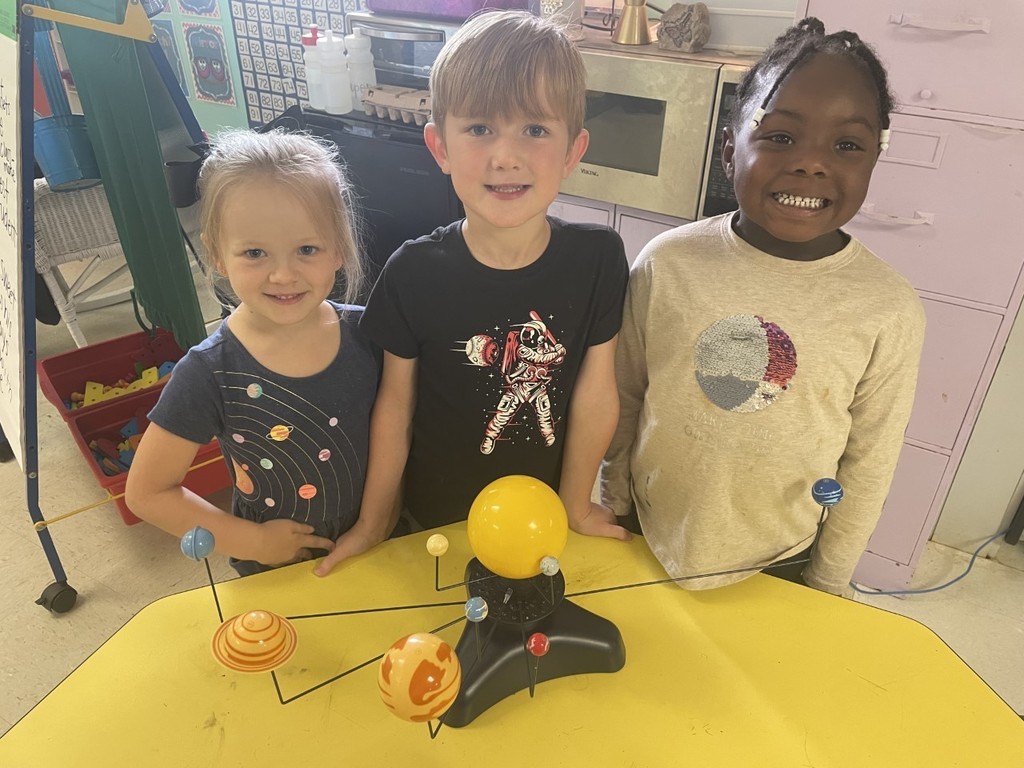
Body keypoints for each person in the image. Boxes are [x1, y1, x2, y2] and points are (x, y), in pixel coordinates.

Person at [601, 18, 926, 597]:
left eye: (847, 145)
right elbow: (625, 396)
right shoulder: (667, 263)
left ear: (873, 162)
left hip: (781, 561)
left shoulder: (888, 309)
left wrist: (828, 581)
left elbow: (869, 462)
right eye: (780, 136)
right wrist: (614, 504)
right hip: (647, 532)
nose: (811, 163)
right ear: (731, 151)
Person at [314, 11, 631, 576]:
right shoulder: (412, 272)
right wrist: (374, 522)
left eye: (535, 130)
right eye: (480, 128)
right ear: (439, 147)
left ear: (572, 151)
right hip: (436, 528)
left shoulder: (600, 259)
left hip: (542, 525)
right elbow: (395, 408)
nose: (505, 156)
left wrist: (577, 505)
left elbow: (596, 391)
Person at [125, 130, 385, 576]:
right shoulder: (208, 371)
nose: (283, 275)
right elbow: (147, 492)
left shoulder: (372, 332)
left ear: (339, 248)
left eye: (307, 249)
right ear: (217, 255)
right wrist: (254, 542)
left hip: (380, 543)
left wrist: (381, 520)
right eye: (255, 253)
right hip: (274, 568)